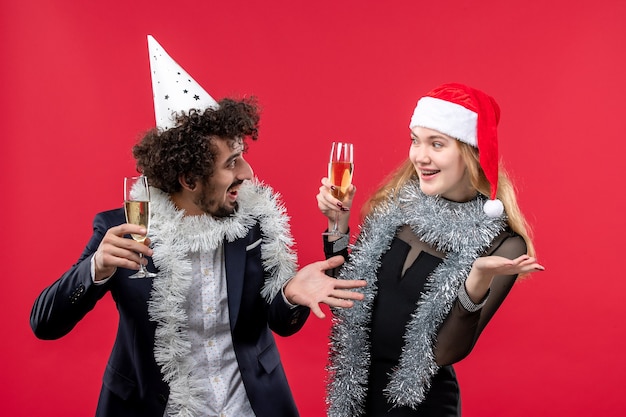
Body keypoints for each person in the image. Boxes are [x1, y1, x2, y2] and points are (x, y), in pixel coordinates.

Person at [30, 36, 365, 417]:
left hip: (249, 406)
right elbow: (45, 324)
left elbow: (282, 324)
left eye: (243, 156)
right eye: (231, 163)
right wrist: (95, 270)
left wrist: (290, 293)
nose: (248, 173)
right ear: (189, 179)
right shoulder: (123, 232)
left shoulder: (255, 222)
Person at [317, 83, 545, 416]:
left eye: (436, 144)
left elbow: (444, 352)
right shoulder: (397, 207)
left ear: (471, 154)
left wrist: (476, 281)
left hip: (421, 406)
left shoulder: (501, 244)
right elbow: (345, 298)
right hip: (356, 396)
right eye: (415, 140)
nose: (419, 156)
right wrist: (337, 224)